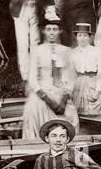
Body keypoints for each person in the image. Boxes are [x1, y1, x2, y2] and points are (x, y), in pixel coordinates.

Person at [20, 8, 78, 139]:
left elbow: (71, 78)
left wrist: (64, 100)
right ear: (43, 31)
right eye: (49, 29)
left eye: (55, 29)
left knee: (70, 114)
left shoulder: (67, 51)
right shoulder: (36, 51)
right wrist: (47, 99)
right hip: (42, 93)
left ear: (60, 31)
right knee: (32, 110)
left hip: (61, 92)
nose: (52, 33)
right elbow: (32, 79)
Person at [31, 118, 101, 169]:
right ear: (47, 139)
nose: (58, 140)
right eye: (54, 136)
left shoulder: (76, 155)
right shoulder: (42, 159)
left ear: (67, 139)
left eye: (62, 136)